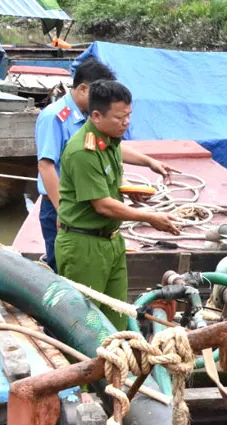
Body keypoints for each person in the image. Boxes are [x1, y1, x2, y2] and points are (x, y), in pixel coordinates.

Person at [56, 80, 180, 330]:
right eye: (120, 118)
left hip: (111, 240)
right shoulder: (83, 151)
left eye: (128, 116)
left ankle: (115, 367)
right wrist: (150, 218)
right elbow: (102, 205)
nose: (126, 123)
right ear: (96, 116)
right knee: (85, 324)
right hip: (84, 246)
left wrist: (148, 163)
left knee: (116, 316)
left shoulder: (107, 138)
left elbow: (119, 153)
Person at [34, 58, 177, 271]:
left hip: (86, 203)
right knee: (65, 271)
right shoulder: (55, 117)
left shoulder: (90, 118)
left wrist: (148, 162)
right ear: (83, 89)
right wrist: (61, 211)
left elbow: (110, 149)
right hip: (63, 205)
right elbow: (46, 167)